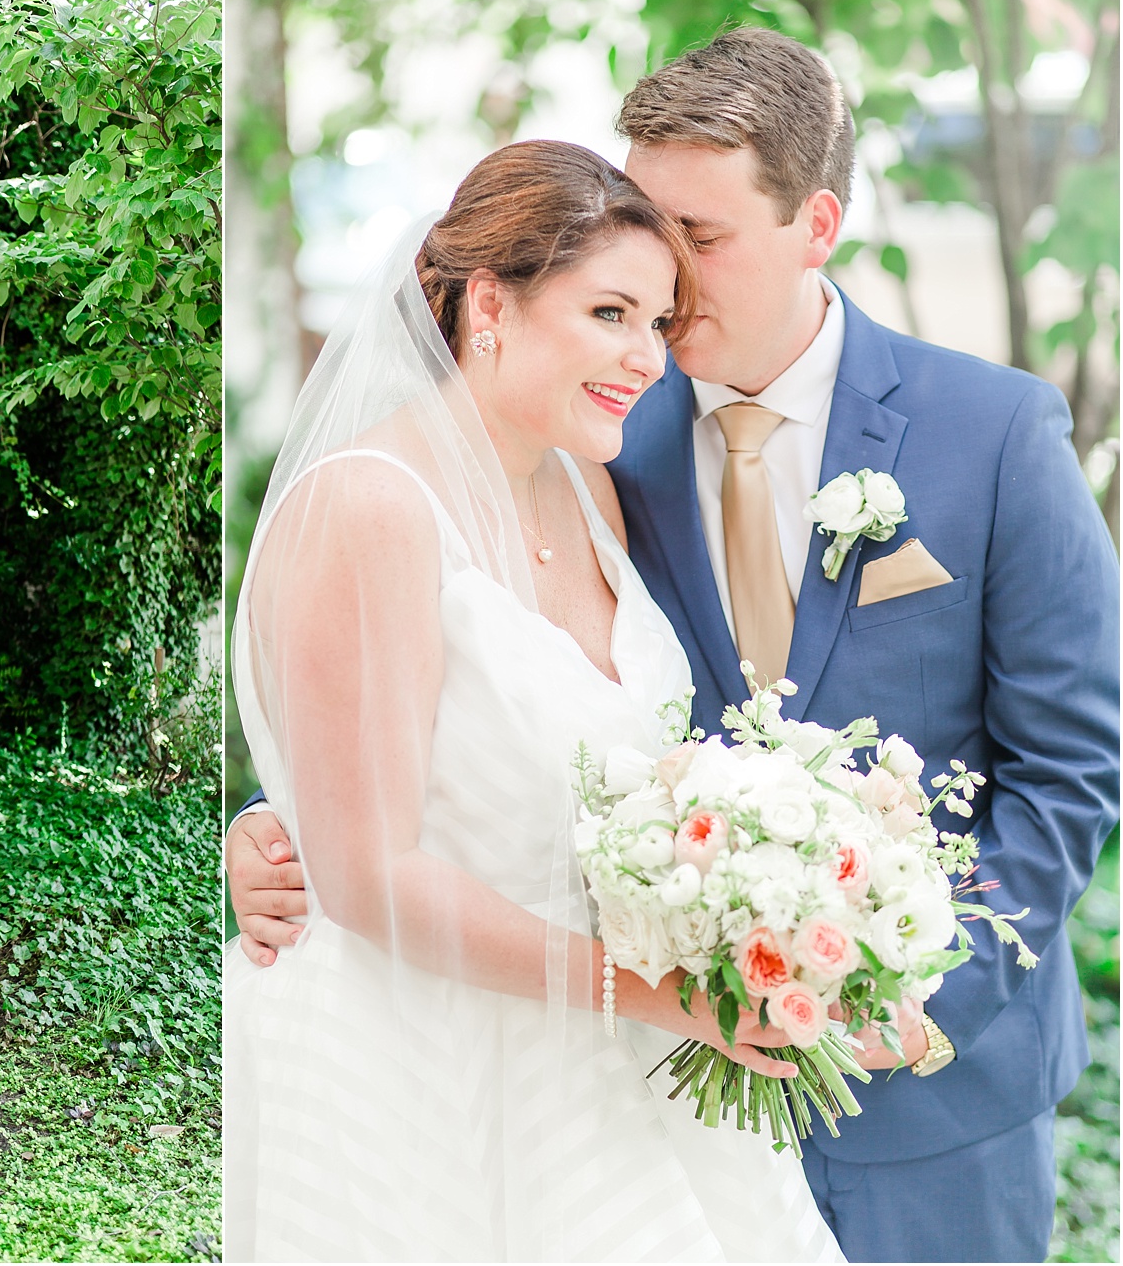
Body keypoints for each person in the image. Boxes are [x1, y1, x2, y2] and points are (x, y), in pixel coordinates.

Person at [227, 28, 1120, 1263]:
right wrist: (286, 834)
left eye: (701, 241)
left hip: (926, 1094)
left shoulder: (998, 431)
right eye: (644, 254)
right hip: (616, 1082)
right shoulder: (600, 447)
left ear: (815, 224)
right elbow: (428, 713)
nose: (669, 307)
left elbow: (1069, 771)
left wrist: (903, 995)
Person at [226, 138, 843, 1261]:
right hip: (430, 1066)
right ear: (488, 301)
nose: (646, 356)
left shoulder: (585, 480)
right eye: (610, 311)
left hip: (616, 1058)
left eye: (657, 322)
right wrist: (659, 992)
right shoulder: (373, 507)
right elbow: (369, 880)